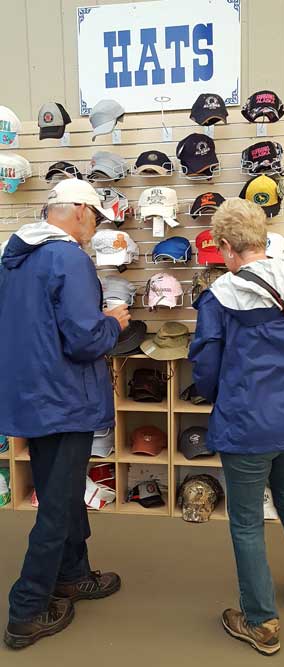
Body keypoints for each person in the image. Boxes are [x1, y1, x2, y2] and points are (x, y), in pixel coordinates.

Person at [189, 198, 284, 656]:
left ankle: (261, 621)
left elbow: (205, 367)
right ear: (263, 239)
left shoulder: (218, 298)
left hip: (247, 424)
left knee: (246, 521)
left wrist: (220, 395)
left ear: (226, 245)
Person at [0, 178, 130, 649]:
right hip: (65, 398)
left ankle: (74, 575)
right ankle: (27, 610)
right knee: (57, 506)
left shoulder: (14, 259)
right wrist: (112, 323)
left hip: (32, 396)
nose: (94, 225)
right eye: (94, 215)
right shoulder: (69, 259)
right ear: (76, 209)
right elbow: (83, 340)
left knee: (65, 492)